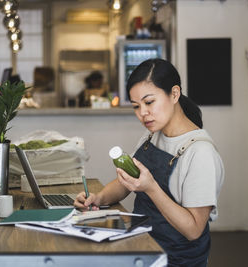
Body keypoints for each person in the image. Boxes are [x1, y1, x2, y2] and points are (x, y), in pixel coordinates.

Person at [74, 58, 224, 267]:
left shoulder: (201, 153)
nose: (143, 113)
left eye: (149, 102)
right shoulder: (152, 136)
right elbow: (126, 182)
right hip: (142, 249)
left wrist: (151, 188)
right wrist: (98, 198)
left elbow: (194, 229)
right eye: (136, 106)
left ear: (174, 94)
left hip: (175, 260)